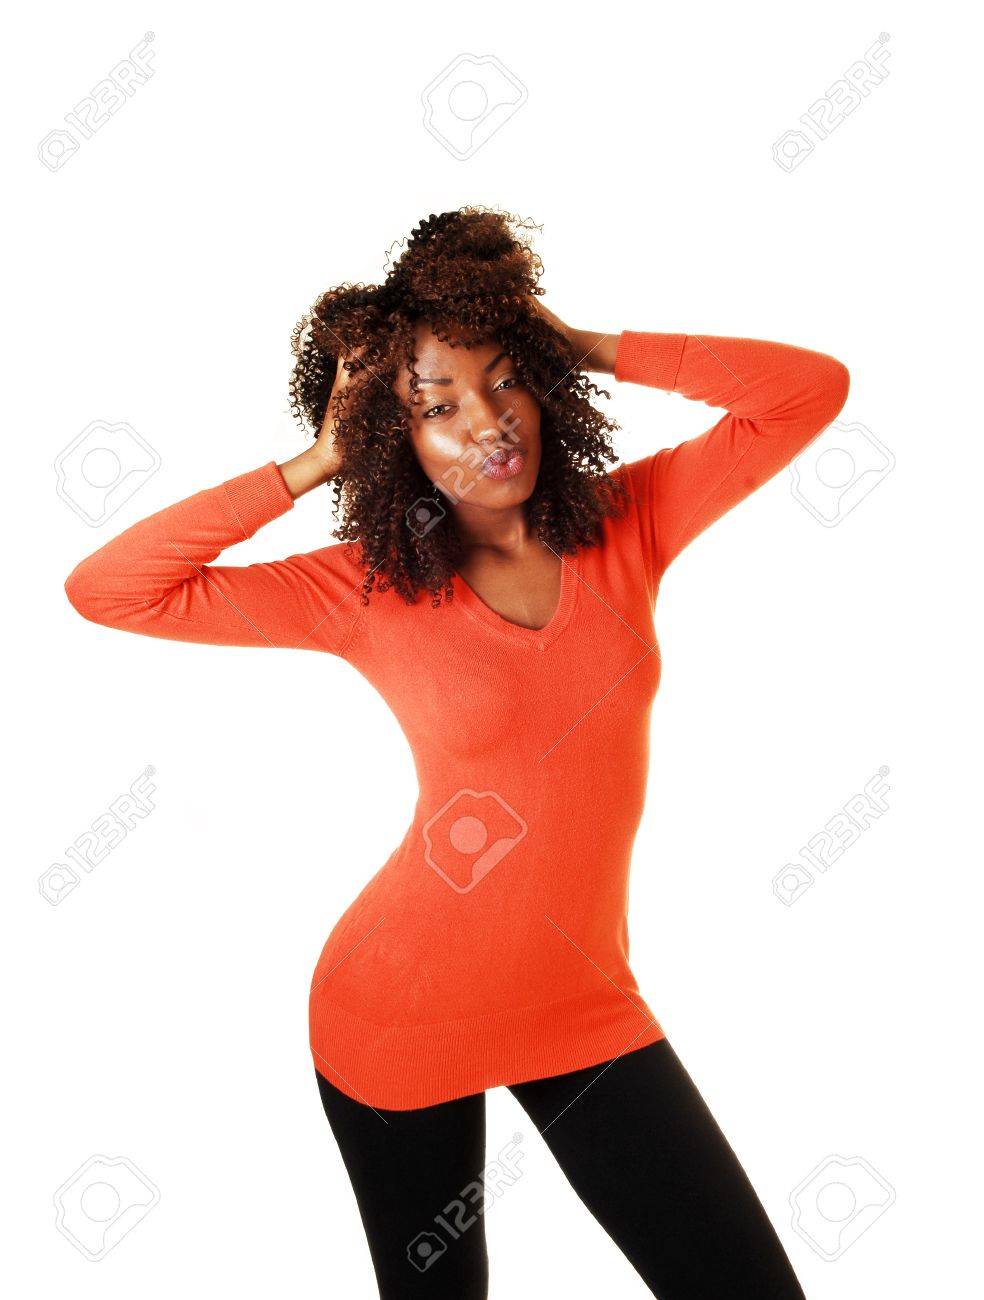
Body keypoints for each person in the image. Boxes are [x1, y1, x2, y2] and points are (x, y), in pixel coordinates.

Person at [65, 207, 848, 1297]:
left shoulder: (629, 520)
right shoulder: (365, 588)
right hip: (400, 1011)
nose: (487, 421)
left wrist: (581, 342)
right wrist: (313, 462)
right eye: (437, 405)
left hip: (584, 1002)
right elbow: (110, 590)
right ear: (393, 439)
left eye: (505, 379)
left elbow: (809, 391)